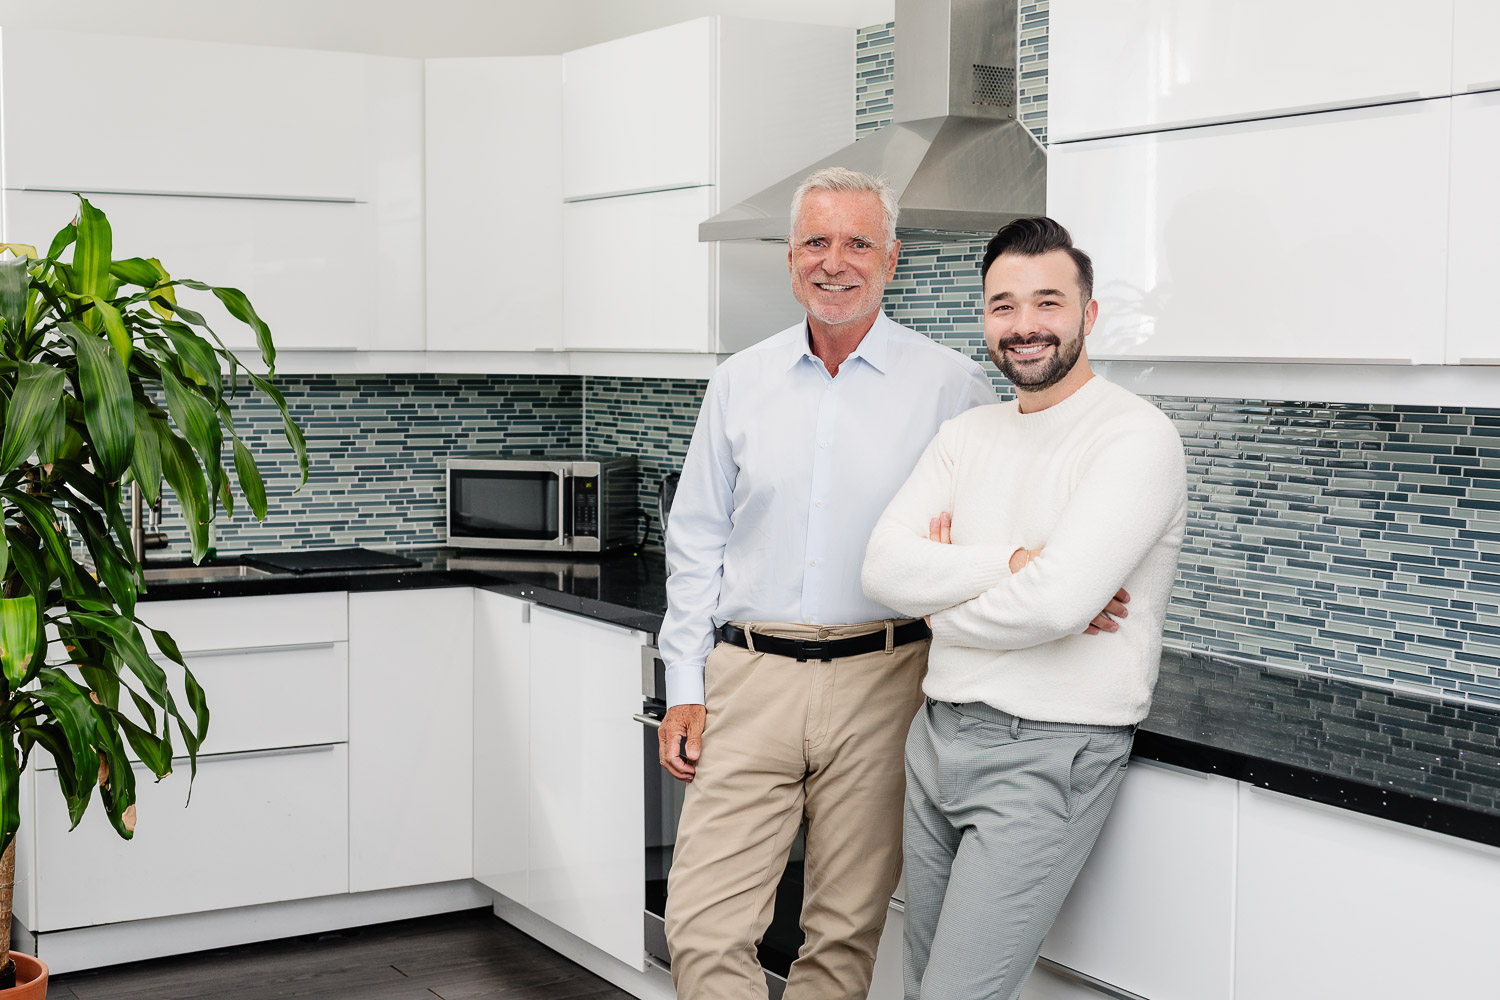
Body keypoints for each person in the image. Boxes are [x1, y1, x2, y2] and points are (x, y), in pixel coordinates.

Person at [655, 166, 996, 999]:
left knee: (843, 936)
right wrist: (684, 683)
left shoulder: (952, 386)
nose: (833, 262)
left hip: (886, 681)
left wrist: (1075, 586)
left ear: (890, 258)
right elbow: (696, 538)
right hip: (748, 679)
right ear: (789, 257)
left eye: (856, 242)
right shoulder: (740, 380)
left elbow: (1001, 529)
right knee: (700, 929)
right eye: (815, 241)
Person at [862, 216, 1188, 1000]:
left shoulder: (1134, 437)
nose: (1025, 326)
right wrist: (1007, 563)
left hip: (1048, 751)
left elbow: (1058, 604)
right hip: (936, 736)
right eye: (1003, 305)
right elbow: (882, 566)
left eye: (1048, 302)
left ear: (1088, 313)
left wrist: (939, 606)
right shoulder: (966, 433)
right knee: (921, 984)